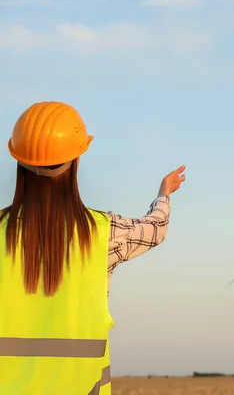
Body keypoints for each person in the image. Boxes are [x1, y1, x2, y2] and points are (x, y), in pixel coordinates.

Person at [0, 101, 186, 394]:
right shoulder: (101, 232)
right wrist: (163, 195)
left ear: (19, 162)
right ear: (75, 161)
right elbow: (154, 229)